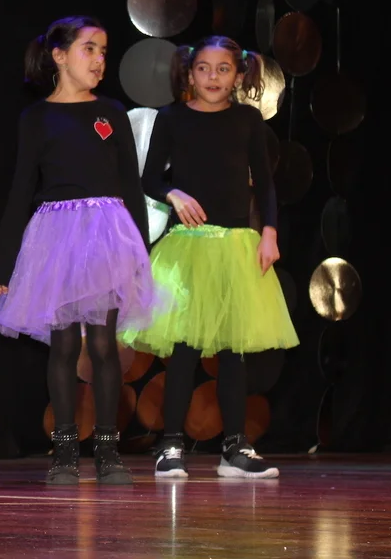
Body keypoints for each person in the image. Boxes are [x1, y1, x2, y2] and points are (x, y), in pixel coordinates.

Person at [0, 16, 160, 485]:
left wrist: (141, 254)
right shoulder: (37, 118)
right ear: (59, 56)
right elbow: (21, 189)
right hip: (56, 236)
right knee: (62, 344)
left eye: (103, 51)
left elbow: (131, 185)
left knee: (103, 343)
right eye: (89, 49)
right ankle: (63, 450)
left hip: (107, 235)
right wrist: (2, 263)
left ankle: (107, 449)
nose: (99, 60)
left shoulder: (111, 112)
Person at [120, 35, 299, 479]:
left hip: (236, 245)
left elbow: (265, 182)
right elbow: (149, 178)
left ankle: (234, 447)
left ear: (238, 76)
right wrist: (173, 193)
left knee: (234, 351)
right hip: (189, 247)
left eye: (223, 69)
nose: (213, 77)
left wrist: (269, 232)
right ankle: (171, 444)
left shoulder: (248, 120)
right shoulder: (172, 118)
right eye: (204, 68)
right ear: (189, 73)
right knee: (183, 349)